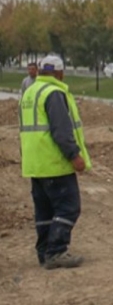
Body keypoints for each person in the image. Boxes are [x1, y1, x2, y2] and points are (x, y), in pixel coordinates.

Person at [19, 55, 92, 270]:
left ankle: (44, 252)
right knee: (69, 207)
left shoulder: (30, 92)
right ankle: (56, 251)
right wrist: (74, 155)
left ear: (40, 71)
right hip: (54, 163)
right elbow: (62, 130)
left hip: (35, 164)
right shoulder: (54, 93)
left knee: (44, 211)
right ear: (60, 73)